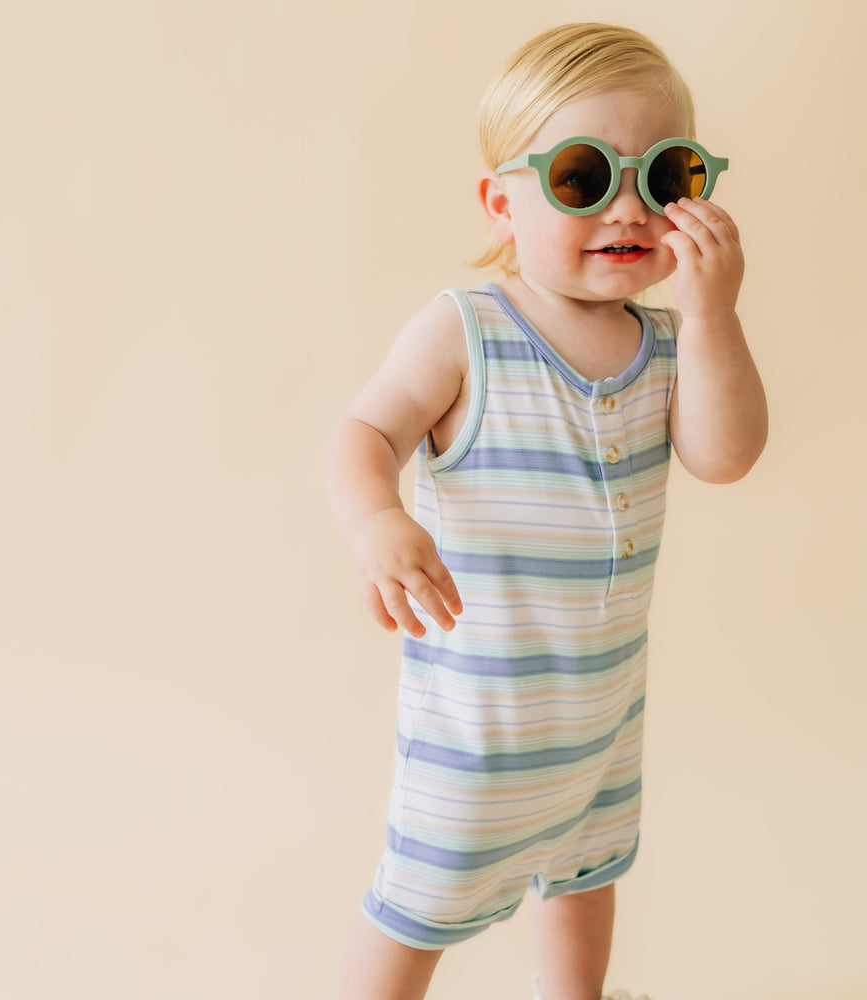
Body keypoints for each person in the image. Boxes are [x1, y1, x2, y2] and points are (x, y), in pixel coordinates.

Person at [327, 22, 767, 1000]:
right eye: (581, 177)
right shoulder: (467, 330)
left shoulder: (667, 344)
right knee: (416, 903)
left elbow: (725, 456)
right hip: (478, 728)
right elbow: (363, 431)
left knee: (587, 874)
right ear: (503, 201)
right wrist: (376, 520)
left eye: (662, 179)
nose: (626, 207)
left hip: (599, 717)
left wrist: (714, 314)